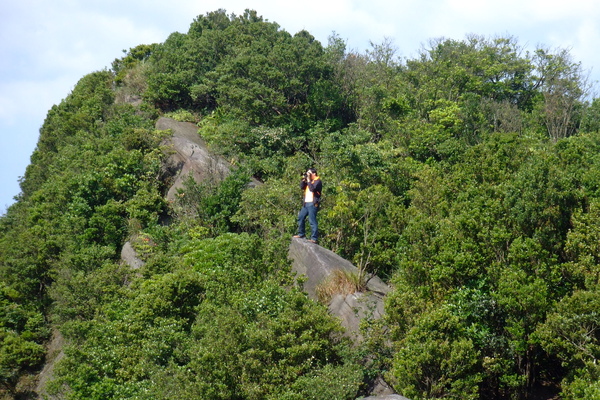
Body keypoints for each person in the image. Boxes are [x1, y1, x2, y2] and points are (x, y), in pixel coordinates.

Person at [294, 168, 322, 244]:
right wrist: (304, 179)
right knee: (300, 217)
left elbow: (312, 189)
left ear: (314, 174)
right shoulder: (309, 181)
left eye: (309, 173)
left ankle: (314, 238)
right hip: (306, 203)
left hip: (313, 203)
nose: (308, 175)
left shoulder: (318, 181)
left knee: (312, 220)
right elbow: (302, 187)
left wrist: (309, 180)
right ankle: (301, 234)